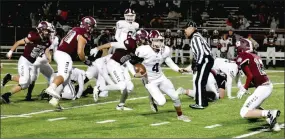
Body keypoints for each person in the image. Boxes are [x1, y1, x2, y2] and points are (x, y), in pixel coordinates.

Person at [134, 30, 191, 122]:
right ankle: (152, 99)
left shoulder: (165, 50)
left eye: (160, 40)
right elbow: (135, 63)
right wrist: (136, 73)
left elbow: (168, 61)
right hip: (150, 80)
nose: (159, 43)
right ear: (150, 40)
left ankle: (180, 116)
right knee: (161, 102)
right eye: (156, 40)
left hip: (161, 77)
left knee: (175, 97)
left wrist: (178, 69)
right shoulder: (143, 50)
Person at [45, 16, 96, 108]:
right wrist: (85, 61)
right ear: (87, 25)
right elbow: (80, 53)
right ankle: (51, 88)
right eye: (91, 26)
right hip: (65, 55)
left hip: (61, 53)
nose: (92, 29)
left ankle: (54, 100)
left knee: (65, 81)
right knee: (63, 76)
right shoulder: (83, 34)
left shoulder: (75, 29)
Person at [235, 38, 281, 132]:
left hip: (263, 88)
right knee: (253, 110)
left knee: (244, 112)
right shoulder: (255, 56)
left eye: (238, 48)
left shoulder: (243, 56)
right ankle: (271, 119)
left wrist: (244, 88)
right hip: (266, 86)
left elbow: (250, 76)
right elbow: (256, 77)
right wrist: (245, 86)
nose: (237, 50)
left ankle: (270, 113)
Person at [1, 21, 53, 103]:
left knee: (29, 81)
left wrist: (49, 57)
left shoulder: (48, 41)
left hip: (32, 63)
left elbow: (46, 49)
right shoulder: (34, 36)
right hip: (24, 60)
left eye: (49, 31)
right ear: (41, 29)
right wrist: (10, 51)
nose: (48, 33)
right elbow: (18, 42)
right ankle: (5, 96)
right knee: (25, 82)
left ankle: (9, 83)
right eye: (47, 30)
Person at [184, 21, 213, 109]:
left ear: (191, 28)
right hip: (206, 59)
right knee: (200, 81)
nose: (185, 30)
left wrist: (198, 63)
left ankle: (200, 103)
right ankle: (203, 102)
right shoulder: (197, 36)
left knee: (199, 81)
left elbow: (200, 52)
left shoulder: (195, 37)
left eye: (186, 28)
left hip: (205, 59)